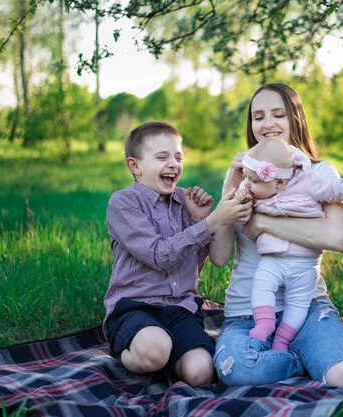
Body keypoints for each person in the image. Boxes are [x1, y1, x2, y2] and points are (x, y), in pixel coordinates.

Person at [209, 83, 343, 388]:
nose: (267, 123)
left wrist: (266, 223)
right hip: (247, 312)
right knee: (239, 369)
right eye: (258, 117)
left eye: (278, 114)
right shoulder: (245, 178)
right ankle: (300, 360)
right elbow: (218, 257)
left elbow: (338, 237)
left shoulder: (319, 173)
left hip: (308, 306)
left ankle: (320, 346)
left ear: (295, 119)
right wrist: (227, 194)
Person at [102, 121, 252, 387]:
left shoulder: (186, 201)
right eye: (162, 157)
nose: (173, 164)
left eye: (178, 157)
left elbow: (192, 266)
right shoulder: (123, 203)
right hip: (136, 306)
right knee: (154, 351)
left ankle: (170, 353)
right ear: (135, 166)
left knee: (201, 372)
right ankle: (127, 349)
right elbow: (159, 256)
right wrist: (212, 222)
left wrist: (197, 220)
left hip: (180, 308)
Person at [235, 138, 343, 351]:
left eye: (252, 181)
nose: (248, 184)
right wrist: (242, 194)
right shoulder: (254, 191)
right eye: (247, 178)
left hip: (305, 263)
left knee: (298, 305)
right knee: (261, 285)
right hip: (273, 258)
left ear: (278, 183)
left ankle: (282, 340)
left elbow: (332, 190)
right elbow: (241, 205)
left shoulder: (308, 182)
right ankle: (265, 323)